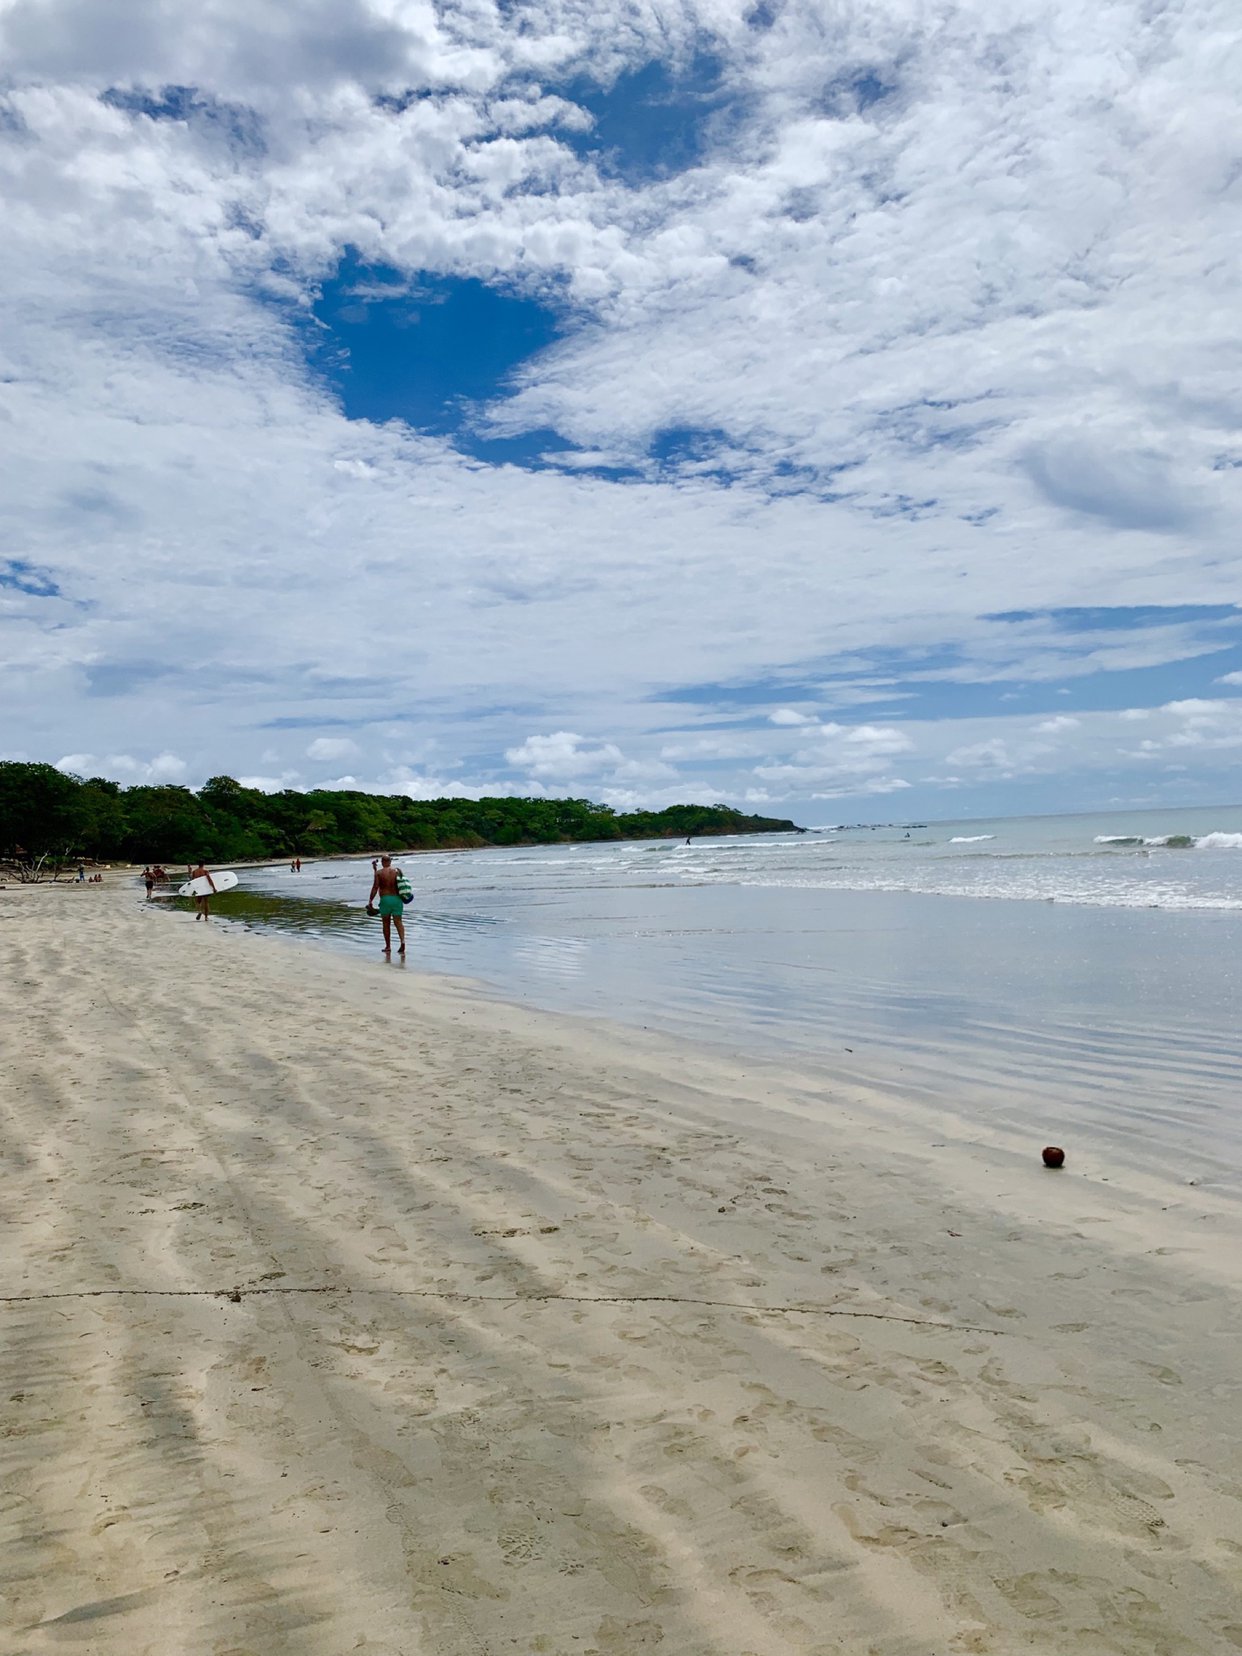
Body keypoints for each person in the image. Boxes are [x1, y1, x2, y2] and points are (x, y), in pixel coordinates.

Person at [367, 854, 406, 956]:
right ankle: (402, 942)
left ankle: (388, 946)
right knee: (398, 922)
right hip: (397, 900)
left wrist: (370, 900)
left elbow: (376, 887)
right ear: (390, 862)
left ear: (382, 862)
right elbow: (403, 885)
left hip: (385, 900)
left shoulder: (379, 873)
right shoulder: (397, 871)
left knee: (386, 923)